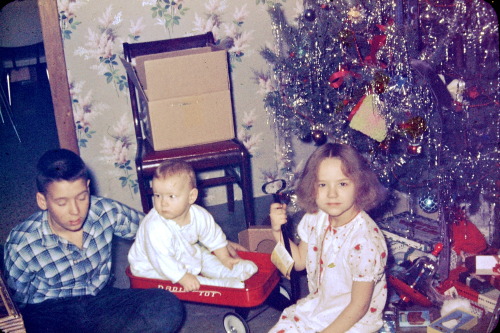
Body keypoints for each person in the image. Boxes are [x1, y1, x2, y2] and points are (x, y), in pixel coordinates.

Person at [3, 148, 185, 333]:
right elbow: (15, 305)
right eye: (61, 203)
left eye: (82, 197)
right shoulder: (22, 244)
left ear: (88, 187)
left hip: (102, 300)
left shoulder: (106, 211)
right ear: (42, 201)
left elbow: (152, 229)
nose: (75, 211)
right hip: (51, 312)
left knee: (166, 306)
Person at [269, 143, 388, 333]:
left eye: (342, 184)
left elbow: (358, 307)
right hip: (321, 306)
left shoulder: (365, 242)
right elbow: (298, 262)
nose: (332, 194)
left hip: (355, 321)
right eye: (323, 185)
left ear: (359, 185)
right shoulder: (315, 218)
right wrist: (277, 231)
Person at [128, 160, 257, 291]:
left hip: (182, 250)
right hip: (152, 267)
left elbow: (213, 236)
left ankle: (228, 271)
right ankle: (222, 286)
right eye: (157, 195)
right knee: (192, 282)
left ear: (191, 196)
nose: (163, 203)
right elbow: (162, 260)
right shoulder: (155, 227)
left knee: (203, 256)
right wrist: (182, 277)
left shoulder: (199, 215)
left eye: (171, 196)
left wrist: (224, 257)